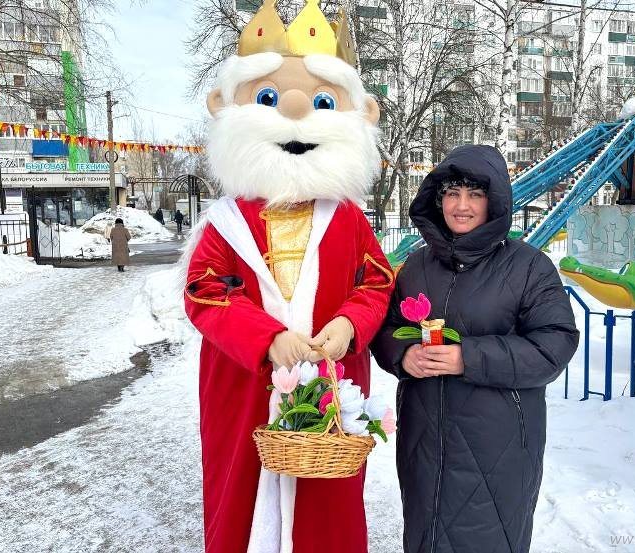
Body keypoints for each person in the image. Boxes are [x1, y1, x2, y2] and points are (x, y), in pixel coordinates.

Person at [181, 1, 394, 551]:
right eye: (269, 99)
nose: (296, 113)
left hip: (330, 382)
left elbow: (375, 282)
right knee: (242, 493)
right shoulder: (227, 221)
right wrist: (267, 338)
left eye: (322, 102)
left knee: (327, 506)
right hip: (244, 386)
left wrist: (349, 324)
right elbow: (203, 290)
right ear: (226, 108)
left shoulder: (348, 218)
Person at [372, 145, 580, 553]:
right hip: (423, 440)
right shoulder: (417, 266)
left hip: (496, 443)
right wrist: (403, 355)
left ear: (494, 201)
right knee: (425, 535)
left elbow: (554, 345)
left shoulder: (528, 267)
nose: (462, 205)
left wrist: (467, 357)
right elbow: (387, 328)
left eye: (475, 194)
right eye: (452, 193)